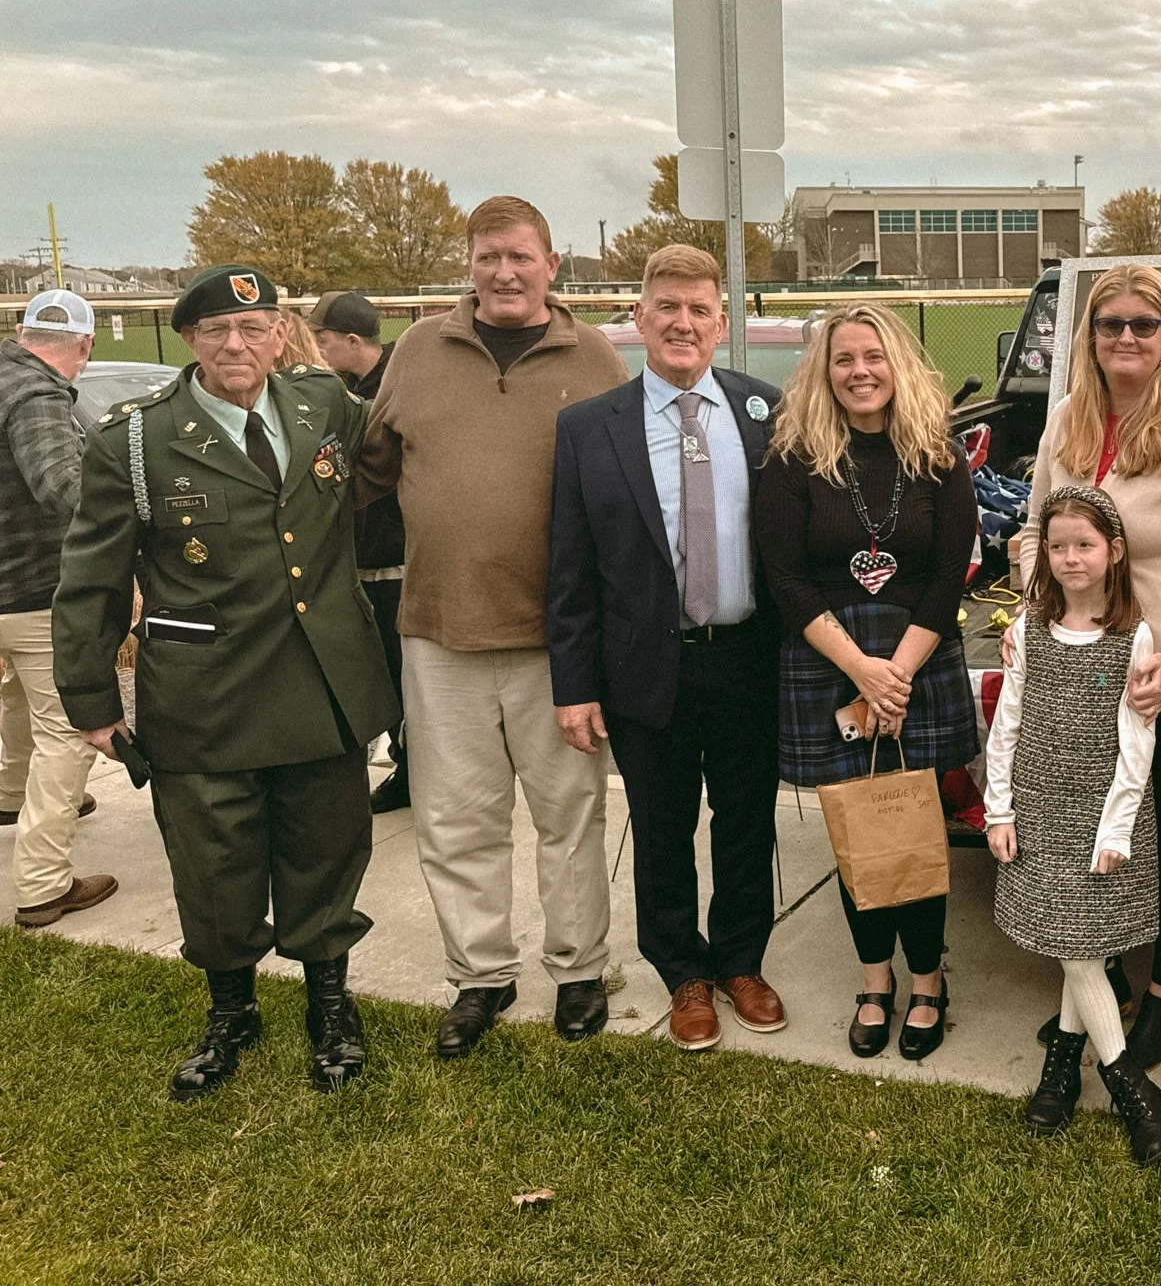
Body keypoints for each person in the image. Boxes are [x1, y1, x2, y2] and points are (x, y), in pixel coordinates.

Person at [53, 266, 399, 1098]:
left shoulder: (323, 409)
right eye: (217, 332)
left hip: (321, 682)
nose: (237, 346)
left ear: (283, 333)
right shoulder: (135, 440)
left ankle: (328, 1005)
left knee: (326, 849)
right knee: (214, 864)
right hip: (203, 695)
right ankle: (231, 1011)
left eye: (255, 328)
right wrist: (93, 702)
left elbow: (405, 442)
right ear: (190, 341)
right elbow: (93, 578)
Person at [355, 195, 629, 1059]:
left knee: (569, 817)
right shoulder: (417, 352)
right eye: (487, 258)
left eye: (520, 256)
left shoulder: (592, 359)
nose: (504, 273)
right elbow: (372, 468)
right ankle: (481, 976)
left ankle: (579, 969)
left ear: (554, 265)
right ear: (467, 265)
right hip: (440, 633)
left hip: (559, 643)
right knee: (456, 819)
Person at [549, 245, 786, 1053]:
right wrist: (573, 684)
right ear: (639, 318)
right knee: (660, 825)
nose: (682, 323)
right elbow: (571, 567)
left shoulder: (766, 412)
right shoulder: (588, 430)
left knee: (748, 820)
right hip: (646, 662)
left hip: (747, 655)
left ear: (723, 323)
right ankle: (683, 971)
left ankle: (742, 960)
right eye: (667, 308)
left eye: (699, 310)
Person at [1017, 263, 1161, 1070]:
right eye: (1109, 323)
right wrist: (1029, 616)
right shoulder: (1067, 423)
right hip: (1086, 672)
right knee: (1088, 833)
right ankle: (1097, 982)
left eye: (1142, 325)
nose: (1124, 337)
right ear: (1089, 335)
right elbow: (1033, 537)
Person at [754, 303, 979, 1062]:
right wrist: (861, 671)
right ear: (824, 371)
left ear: (898, 366)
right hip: (832, 659)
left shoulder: (939, 456)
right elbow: (783, 575)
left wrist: (896, 675)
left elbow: (950, 575)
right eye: (843, 359)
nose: (860, 372)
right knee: (859, 828)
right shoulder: (793, 458)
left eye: (873, 357)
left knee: (911, 823)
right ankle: (874, 980)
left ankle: (927, 981)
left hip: (916, 655)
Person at [985, 485, 1161, 1166]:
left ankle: (1068, 1074)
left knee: (1080, 944)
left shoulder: (1134, 635)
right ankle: (1129, 1088)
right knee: (1077, 946)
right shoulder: (1028, 630)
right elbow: (1006, 724)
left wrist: (1117, 828)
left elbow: (1138, 740)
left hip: (1100, 815)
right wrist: (998, 808)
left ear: (1113, 552)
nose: (1070, 558)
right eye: (1057, 546)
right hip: (1038, 809)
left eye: (1085, 545)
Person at [1, 290, 115, 926]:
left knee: (15, 698)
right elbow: (63, 486)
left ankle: (11, 794)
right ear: (85, 345)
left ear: (22, 331)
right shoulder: (38, 395)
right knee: (67, 730)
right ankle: (44, 884)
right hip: (31, 590)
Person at [309, 290, 410, 815]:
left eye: (324, 341)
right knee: (382, 675)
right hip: (362, 559)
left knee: (401, 677)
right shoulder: (344, 391)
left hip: (396, 559)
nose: (320, 351)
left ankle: (413, 774)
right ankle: (406, 764)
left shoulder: (395, 388)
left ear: (352, 341)